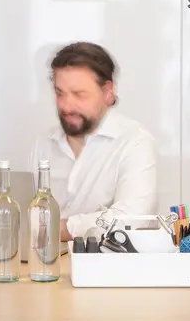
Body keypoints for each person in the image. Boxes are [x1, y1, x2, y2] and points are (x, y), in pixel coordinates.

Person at [31, 41, 158, 241]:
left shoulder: (135, 142)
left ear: (107, 92)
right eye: (60, 93)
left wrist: (64, 228)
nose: (66, 105)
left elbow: (134, 217)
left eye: (79, 94)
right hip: (48, 266)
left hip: (112, 267)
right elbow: (31, 217)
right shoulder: (44, 142)